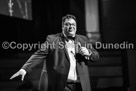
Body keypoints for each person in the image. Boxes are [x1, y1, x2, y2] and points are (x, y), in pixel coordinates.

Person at [10, 14, 99, 91]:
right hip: (62, 85)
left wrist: (89, 53)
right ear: (62, 27)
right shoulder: (52, 40)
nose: (71, 26)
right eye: (67, 24)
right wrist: (24, 69)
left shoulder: (83, 39)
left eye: (73, 24)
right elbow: (38, 54)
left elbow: (96, 56)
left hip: (81, 85)